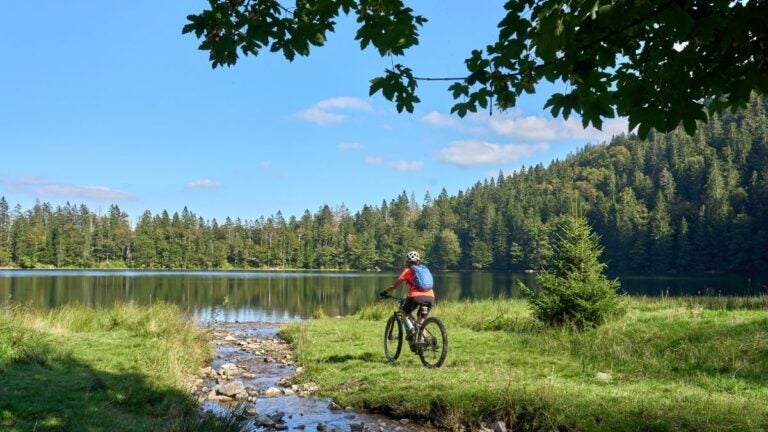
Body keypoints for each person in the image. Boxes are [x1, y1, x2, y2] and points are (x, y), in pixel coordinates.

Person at [379, 251, 435, 338]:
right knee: (421, 321)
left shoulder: (408, 271)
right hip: (430, 296)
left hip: (416, 296)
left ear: (407, 261)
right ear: (418, 261)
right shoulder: (424, 270)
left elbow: (394, 286)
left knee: (404, 311)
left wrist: (384, 292)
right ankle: (423, 342)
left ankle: (411, 328)